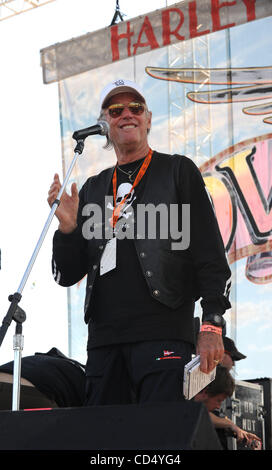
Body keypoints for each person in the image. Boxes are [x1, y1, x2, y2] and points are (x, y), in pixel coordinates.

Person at [48, 78, 232, 406]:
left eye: (136, 107)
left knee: (159, 441)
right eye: (116, 109)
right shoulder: (92, 189)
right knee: (106, 442)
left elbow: (210, 253)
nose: (127, 114)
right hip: (104, 342)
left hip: (163, 332)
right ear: (105, 124)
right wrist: (67, 229)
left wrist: (212, 322)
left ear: (148, 119)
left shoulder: (177, 171)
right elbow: (66, 274)